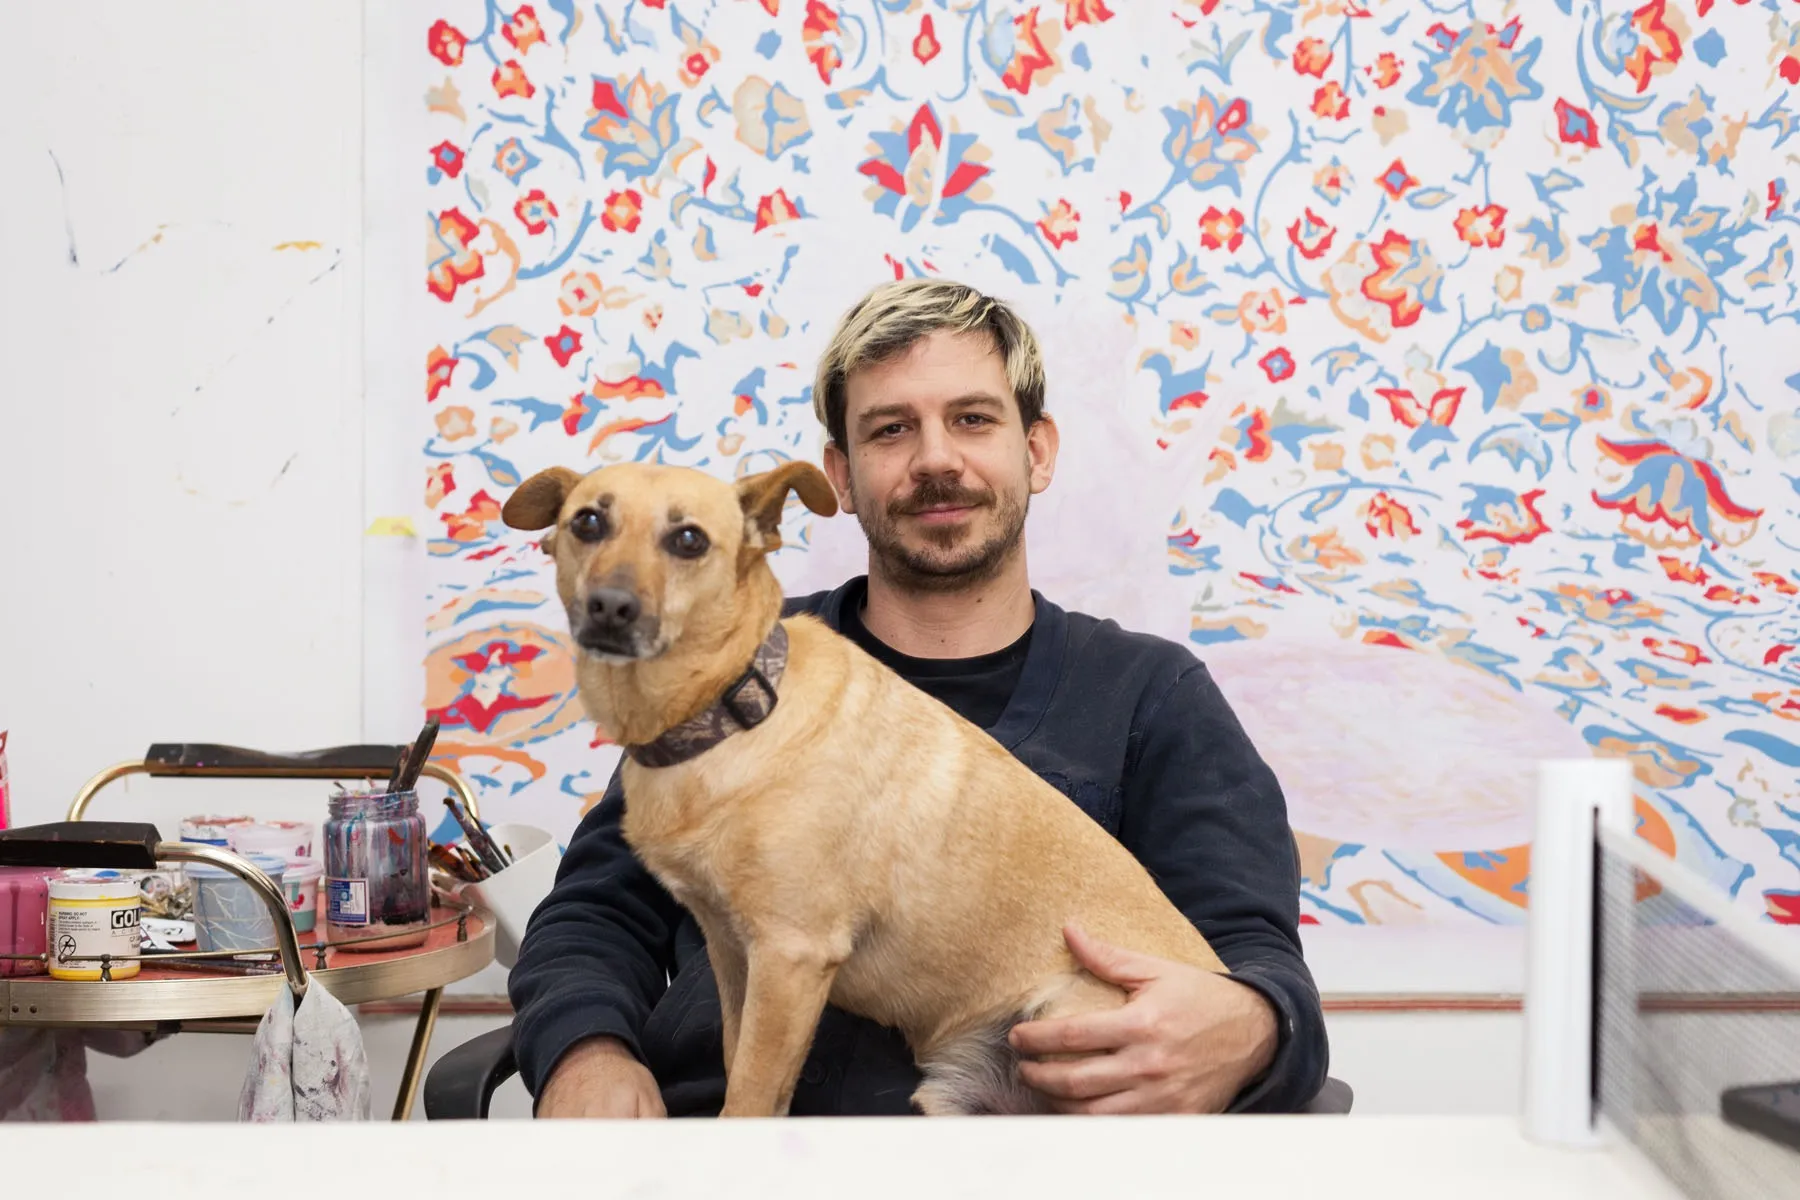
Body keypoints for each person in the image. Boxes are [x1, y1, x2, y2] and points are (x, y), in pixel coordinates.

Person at [508, 278, 1328, 1117]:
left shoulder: (1153, 694)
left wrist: (1255, 1026)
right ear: (841, 475)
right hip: (717, 1128)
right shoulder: (719, 670)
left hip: (1040, 1151)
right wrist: (586, 1051)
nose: (936, 459)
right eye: (891, 429)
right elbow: (594, 919)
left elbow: (1252, 959)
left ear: (1037, 452)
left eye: (972, 419)